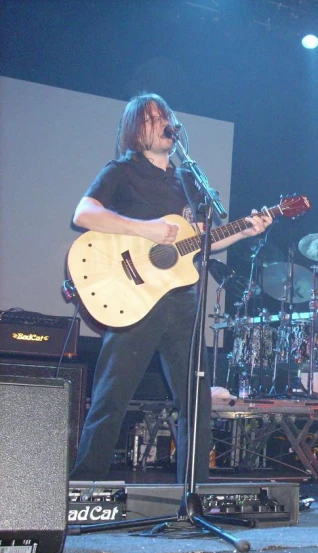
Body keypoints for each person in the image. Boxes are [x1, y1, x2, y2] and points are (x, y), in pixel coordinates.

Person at [70, 92, 273, 483]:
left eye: (165, 116)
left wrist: (247, 228)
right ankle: (84, 486)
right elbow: (84, 213)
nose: (162, 123)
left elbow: (202, 238)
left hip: (182, 302)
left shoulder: (186, 178)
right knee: (113, 396)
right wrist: (143, 229)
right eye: (151, 118)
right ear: (136, 129)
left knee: (195, 401)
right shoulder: (121, 171)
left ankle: (194, 490)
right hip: (135, 300)